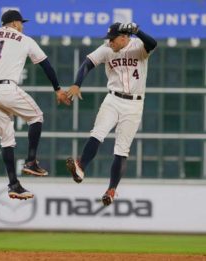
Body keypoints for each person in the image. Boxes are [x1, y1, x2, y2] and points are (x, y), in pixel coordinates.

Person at [0, 10, 70, 200]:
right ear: (14, 23)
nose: (22, 26)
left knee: (7, 139)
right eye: (20, 23)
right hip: (7, 89)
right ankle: (31, 161)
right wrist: (57, 88)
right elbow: (46, 65)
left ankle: (14, 184)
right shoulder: (25, 39)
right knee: (36, 116)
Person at [66, 22, 157, 206]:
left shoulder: (139, 47)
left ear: (124, 38)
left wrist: (138, 31)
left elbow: (153, 44)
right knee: (97, 133)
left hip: (134, 104)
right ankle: (81, 167)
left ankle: (112, 189)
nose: (110, 42)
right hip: (113, 99)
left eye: (113, 39)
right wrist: (77, 83)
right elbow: (87, 63)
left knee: (121, 150)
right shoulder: (107, 48)